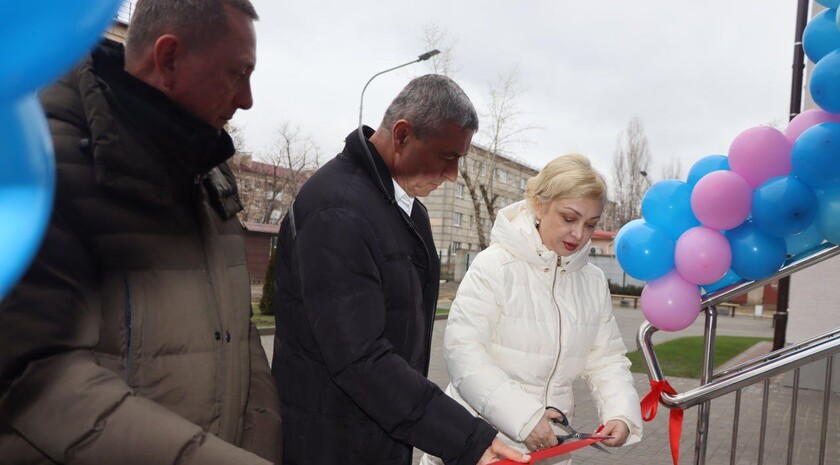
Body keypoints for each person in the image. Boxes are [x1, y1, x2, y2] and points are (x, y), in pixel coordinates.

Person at [0, 1, 281, 464]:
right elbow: (40, 375)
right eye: (237, 73)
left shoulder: (210, 176)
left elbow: (242, 339)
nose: (247, 98)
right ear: (168, 59)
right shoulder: (42, 166)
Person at [272, 75, 529, 465]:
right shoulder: (338, 211)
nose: (454, 175)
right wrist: (466, 438)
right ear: (403, 135)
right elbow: (361, 358)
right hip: (330, 442)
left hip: (380, 434)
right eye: (448, 157)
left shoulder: (403, 208)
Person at [420, 154, 643, 465]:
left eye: (590, 224)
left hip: (549, 449)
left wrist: (620, 413)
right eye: (569, 218)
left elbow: (605, 357)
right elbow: (463, 353)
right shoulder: (494, 266)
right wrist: (525, 418)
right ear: (539, 206)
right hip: (480, 445)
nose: (579, 235)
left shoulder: (591, 281)